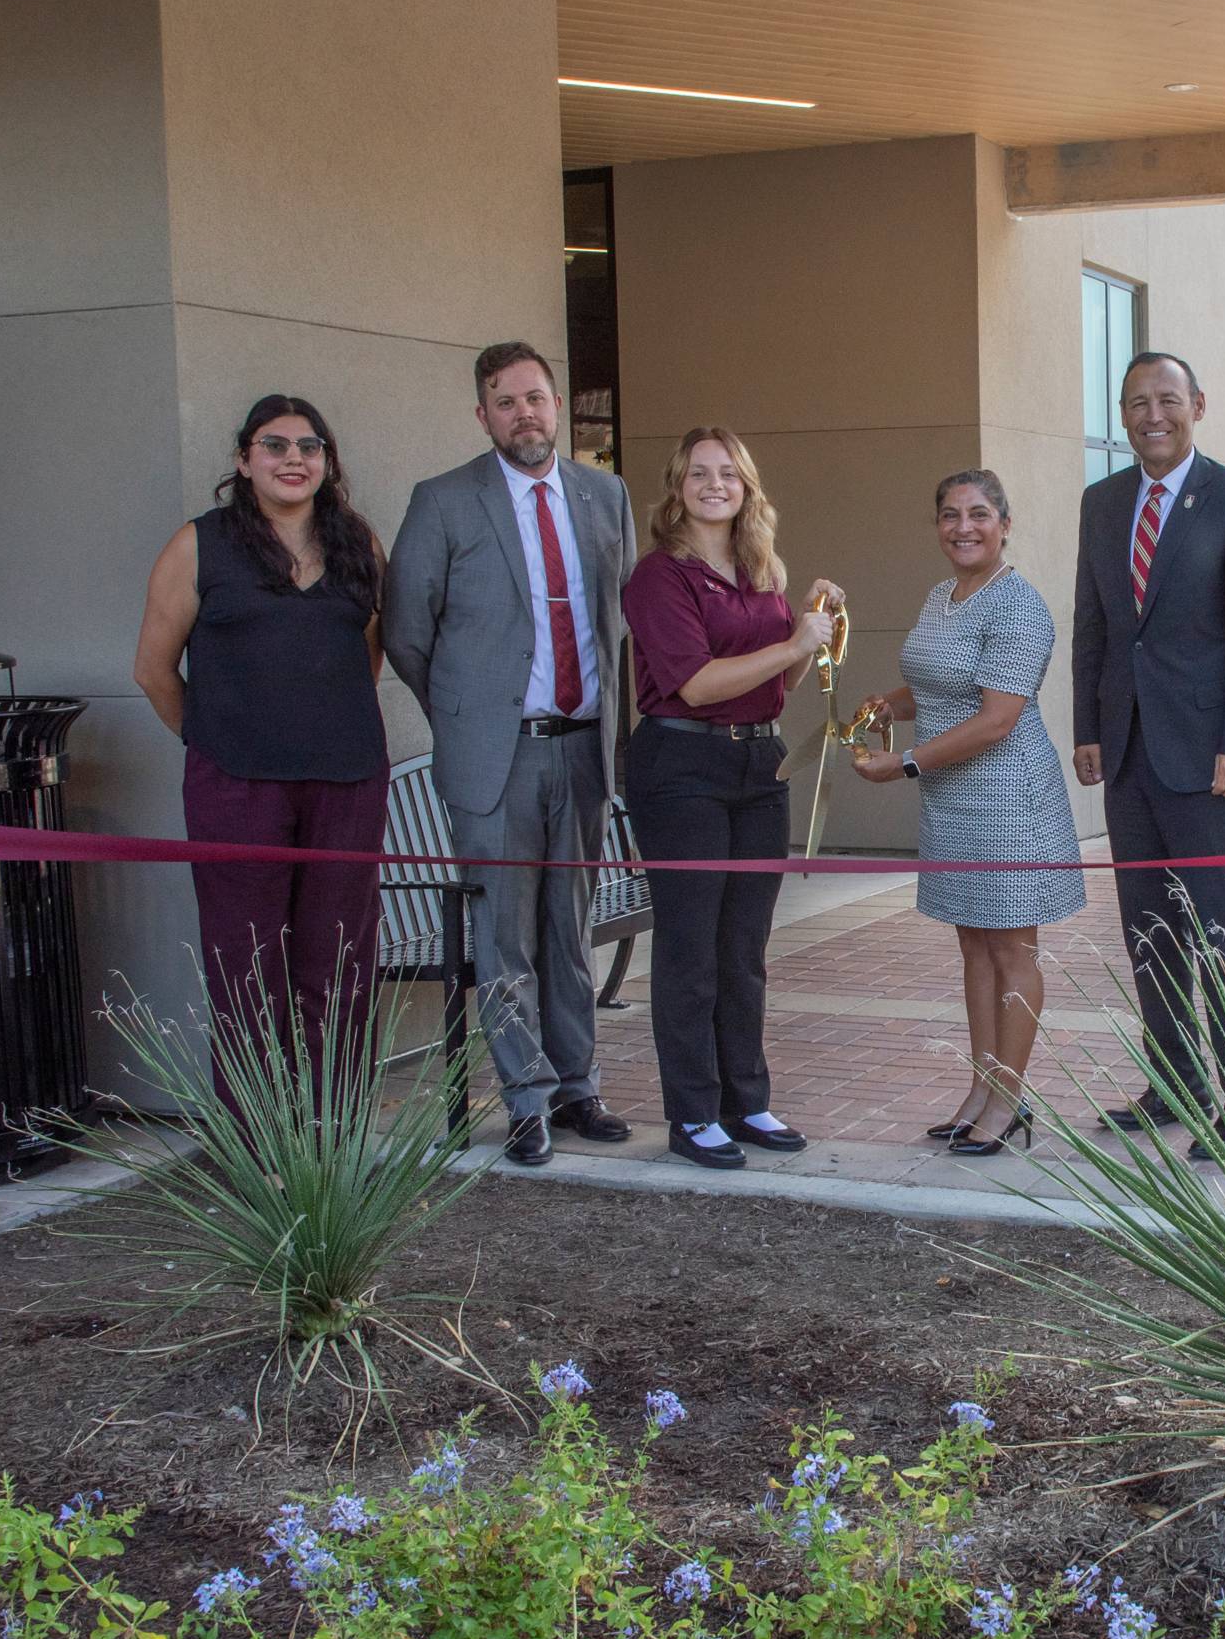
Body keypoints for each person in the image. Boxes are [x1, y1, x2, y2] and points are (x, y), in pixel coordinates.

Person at [382, 342, 638, 1167]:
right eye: (505, 401)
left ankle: (577, 1086)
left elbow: (617, 622)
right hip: (499, 754)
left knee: (570, 925)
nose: (524, 413)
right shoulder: (445, 500)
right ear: (482, 414)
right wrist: (469, 717)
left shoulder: (605, 495)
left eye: (536, 397)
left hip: (583, 750)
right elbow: (407, 635)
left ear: (558, 405)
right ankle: (522, 1097)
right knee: (503, 934)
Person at [132, 394, 390, 1093]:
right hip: (237, 787)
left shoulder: (357, 542)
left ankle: (335, 1139)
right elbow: (153, 670)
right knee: (246, 971)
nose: (293, 459)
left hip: (347, 782)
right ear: (245, 460)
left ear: (326, 462)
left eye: (309, 446)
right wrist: (215, 738)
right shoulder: (200, 544)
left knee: (338, 970)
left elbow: (364, 659)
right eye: (274, 445)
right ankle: (258, 1154)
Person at [1070, 352, 1225, 1161]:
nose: (1150, 414)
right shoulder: (1102, 502)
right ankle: (1177, 1078)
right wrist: (1088, 725)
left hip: (1212, 761)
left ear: (1197, 404)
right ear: (1121, 415)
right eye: (1135, 403)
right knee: (1149, 929)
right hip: (1126, 753)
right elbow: (1093, 618)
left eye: (1166, 399)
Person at [620, 428, 845, 1171]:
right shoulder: (658, 577)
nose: (713, 484)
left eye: (728, 473)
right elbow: (698, 683)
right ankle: (692, 1112)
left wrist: (810, 612)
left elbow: (769, 677)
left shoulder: (760, 570)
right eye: (698, 472)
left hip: (758, 764)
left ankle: (744, 1100)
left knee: (743, 948)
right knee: (689, 950)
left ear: (747, 487)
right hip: (682, 761)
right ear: (676, 484)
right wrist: (793, 644)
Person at [852, 470, 1086, 1156]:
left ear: (1004, 524)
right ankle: (981, 1086)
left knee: (1012, 950)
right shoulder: (941, 595)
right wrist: (888, 705)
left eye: (979, 514)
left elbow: (996, 720)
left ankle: (1010, 1100)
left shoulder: (1018, 606)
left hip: (1008, 797)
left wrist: (905, 761)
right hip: (953, 800)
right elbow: (936, 680)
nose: (963, 526)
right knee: (973, 946)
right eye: (949, 514)